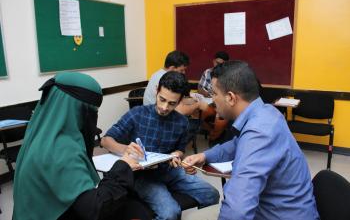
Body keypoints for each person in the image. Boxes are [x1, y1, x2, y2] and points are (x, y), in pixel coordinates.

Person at [183, 61, 320, 220]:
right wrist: (205, 156)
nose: (212, 100)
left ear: (230, 98)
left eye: (214, 93)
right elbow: (236, 144)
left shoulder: (259, 133)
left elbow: (236, 210)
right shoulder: (266, 111)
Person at [13, 72, 152, 220]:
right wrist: (123, 166)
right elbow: (96, 209)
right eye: (93, 112)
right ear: (79, 110)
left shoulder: (39, 132)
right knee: (138, 212)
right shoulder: (62, 148)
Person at [101, 71, 219, 220]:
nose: (164, 107)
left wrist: (177, 154)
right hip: (142, 176)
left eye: (172, 103)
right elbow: (105, 140)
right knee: (170, 213)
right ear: (156, 90)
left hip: (170, 171)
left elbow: (180, 149)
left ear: (181, 100)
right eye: (162, 99)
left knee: (211, 195)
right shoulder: (137, 114)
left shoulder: (182, 122)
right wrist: (126, 149)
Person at [198, 51, 230, 144]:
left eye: (221, 63)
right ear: (213, 61)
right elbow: (200, 87)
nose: (218, 65)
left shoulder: (229, 75)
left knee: (219, 119)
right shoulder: (208, 72)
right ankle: (213, 134)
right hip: (210, 102)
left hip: (224, 105)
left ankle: (215, 138)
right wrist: (205, 93)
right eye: (216, 62)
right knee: (203, 115)